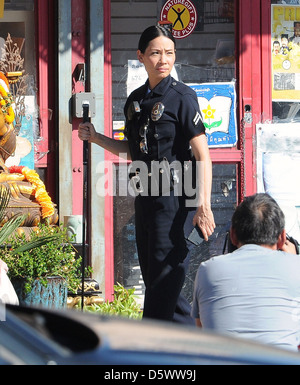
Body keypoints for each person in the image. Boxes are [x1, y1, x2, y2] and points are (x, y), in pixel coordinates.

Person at [78, 25, 215, 324]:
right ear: (141, 56)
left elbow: (203, 154)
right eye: (155, 53)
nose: (163, 60)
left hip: (175, 203)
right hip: (145, 201)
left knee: (161, 287)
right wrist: (97, 137)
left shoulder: (183, 97)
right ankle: (192, 351)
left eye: (169, 53)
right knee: (164, 288)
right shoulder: (135, 101)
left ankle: (145, 348)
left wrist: (203, 205)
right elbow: (134, 149)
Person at [191, 193, 300, 351]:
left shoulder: (207, 270)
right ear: (282, 238)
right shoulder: (296, 267)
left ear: (233, 236)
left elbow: (202, 328)